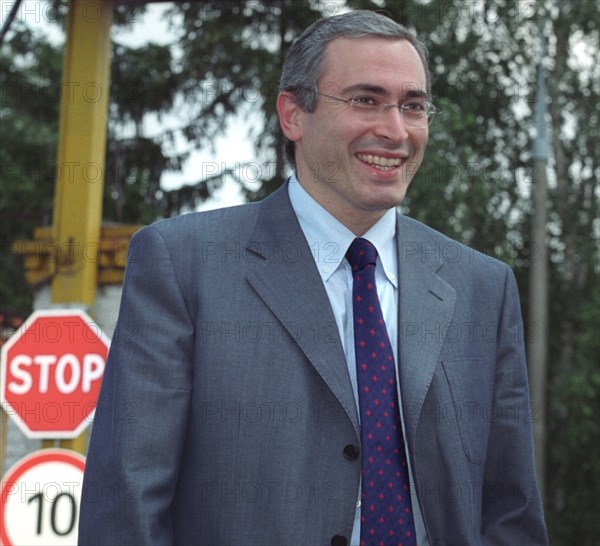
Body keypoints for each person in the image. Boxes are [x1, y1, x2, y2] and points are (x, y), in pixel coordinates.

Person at [79, 10, 548, 546]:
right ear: (292, 115)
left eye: (412, 106)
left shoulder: (483, 287)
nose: (395, 131)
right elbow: (127, 504)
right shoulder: (183, 265)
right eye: (365, 100)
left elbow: (511, 510)